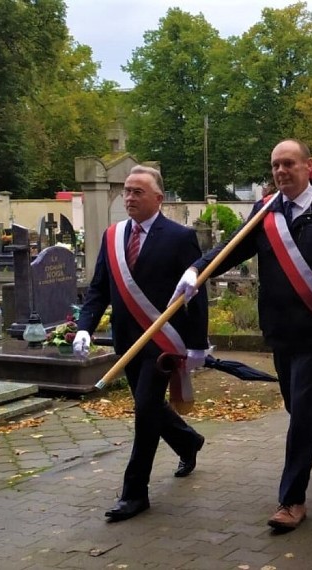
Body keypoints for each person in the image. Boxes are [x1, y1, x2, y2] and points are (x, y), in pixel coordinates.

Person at [171, 139, 312, 532]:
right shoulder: (265, 210)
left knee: (301, 412)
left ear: (309, 165)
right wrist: (196, 270)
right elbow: (231, 249)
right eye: (275, 166)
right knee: (295, 405)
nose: (281, 172)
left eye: (289, 164)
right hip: (280, 329)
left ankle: (291, 500)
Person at [73, 165, 209, 522]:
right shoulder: (114, 236)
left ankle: (135, 493)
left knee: (145, 411)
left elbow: (197, 294)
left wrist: (197, 345)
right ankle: (187, 441)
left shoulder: (180, 237)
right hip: (126, 340)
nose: (129, 197)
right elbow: (100, 286)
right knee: (148, 407)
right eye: (127, 191)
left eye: (137, 192)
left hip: (162, 344)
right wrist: (85, 327)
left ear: (158, 198)